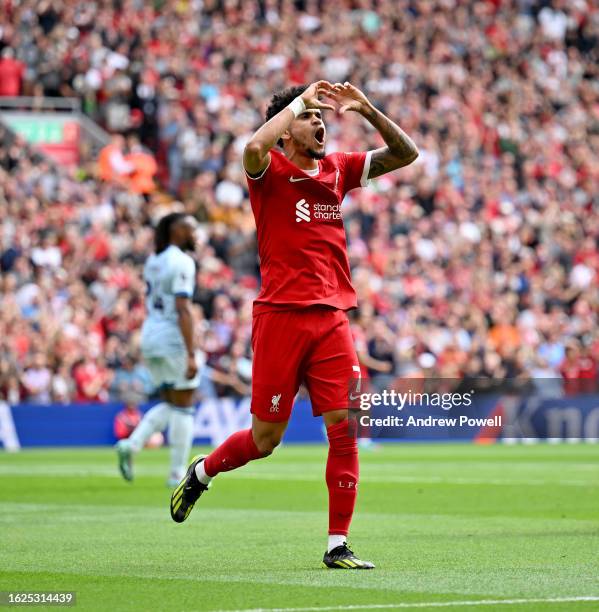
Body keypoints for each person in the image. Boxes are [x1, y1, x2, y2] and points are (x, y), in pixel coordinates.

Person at [170, 81, 418, 568]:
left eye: (322, 117)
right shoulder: (267, 169)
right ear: (288, 130)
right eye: (310, 117)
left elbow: (405, 154)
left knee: (345, 428)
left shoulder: (337, 169)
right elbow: (253, 146)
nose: (320, 123)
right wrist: (299, 98)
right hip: (280, 317)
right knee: (265, 441)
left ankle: (337, 544)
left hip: (331, 320)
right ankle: (202, 472)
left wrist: (367, 108)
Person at [116, 213, 203, 487]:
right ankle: (178, 473)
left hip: (150, 335)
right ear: (177, 232)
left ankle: (132, 444)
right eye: (190, 229)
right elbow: (182, 309)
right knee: (185, 406)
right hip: (172, 338)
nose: (194, 235)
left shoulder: (154, 260)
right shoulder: (182, 261)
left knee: (171, 402)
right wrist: (190, 353)